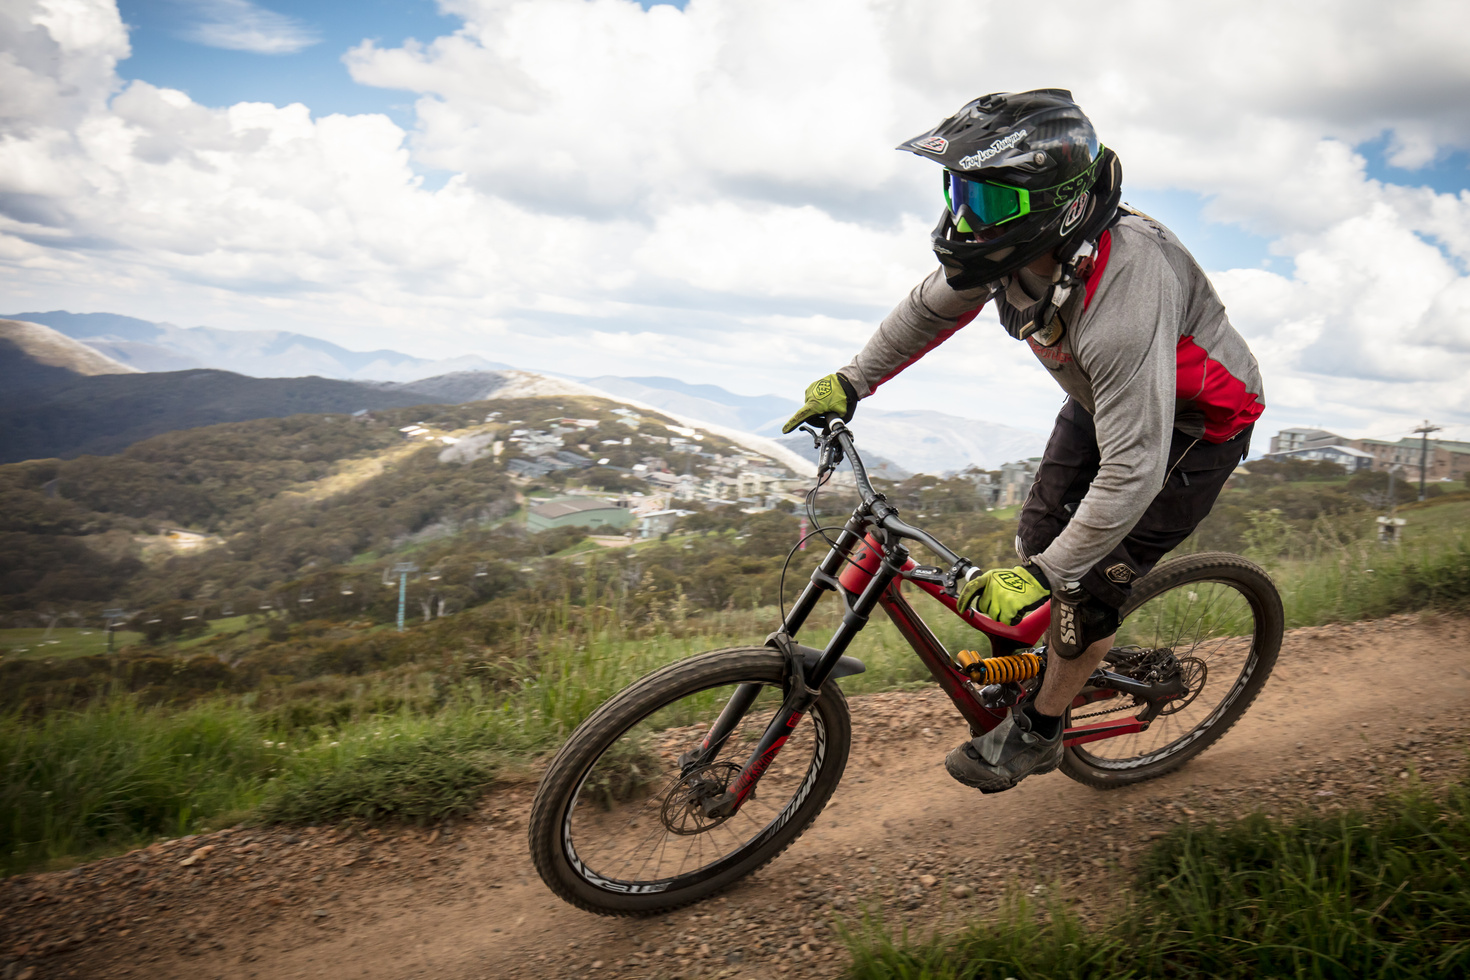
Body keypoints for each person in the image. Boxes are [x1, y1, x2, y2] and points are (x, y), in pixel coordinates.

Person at [782, 89, 1264, 794]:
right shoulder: (1018, 254)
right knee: (1035, 540)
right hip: (1104, 404)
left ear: (1059, 204)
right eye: (960, 193)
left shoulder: (1129, 290)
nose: (965, 217)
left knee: (1084, 582)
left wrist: (1050, 579)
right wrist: (853, 381)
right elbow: (926, 310)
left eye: (989, 202)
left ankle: (1040, 730)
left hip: (1195, 427)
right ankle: (1040, 667)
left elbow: (1135, 468)